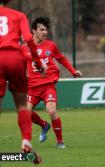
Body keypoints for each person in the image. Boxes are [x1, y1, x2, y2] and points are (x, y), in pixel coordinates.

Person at [24, 17, 82, 148]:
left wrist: (73, 71)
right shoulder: (25, 47)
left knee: (52, 111)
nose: (44, 32)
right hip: (32, 87)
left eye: (46, 30)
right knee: (25, 113)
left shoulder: (51, 45)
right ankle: (44, 125)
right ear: (34, 30)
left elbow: (61, 59)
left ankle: (60, 141)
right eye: (41, 29)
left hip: (47, 86)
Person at [0, 0, 43, 164]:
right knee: (21, 105)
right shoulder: (18, 16)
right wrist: (38, 61)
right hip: (14, 58)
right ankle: (26, 140)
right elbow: (28, 39)